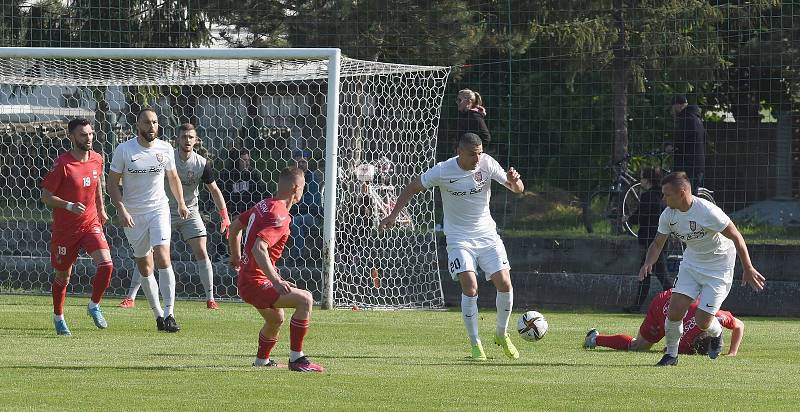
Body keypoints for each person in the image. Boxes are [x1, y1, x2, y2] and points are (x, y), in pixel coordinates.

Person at [379, 132, 524, 361]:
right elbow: (413, 186)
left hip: (487, 235)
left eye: (479, 153)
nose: (477, 159)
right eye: (472, 155)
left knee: (504, 282)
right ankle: (476, 344)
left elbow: (517, 189)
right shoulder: (443, 170)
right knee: (470, 286)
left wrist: (515, 181)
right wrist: (393, 214)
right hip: (458, 238)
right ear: (459, 152)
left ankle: (501, 334)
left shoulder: (487, 164)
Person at [639, 172, 765, 366]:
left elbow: (737, 237)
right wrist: (648, 262)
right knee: (674, 312)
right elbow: (657, 243)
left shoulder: (707, 211)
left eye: (667, 194)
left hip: (719, 267)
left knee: (702, 321)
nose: (663, 199)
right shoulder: (668, 215)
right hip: (692, 263)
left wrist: (747, 268)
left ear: (682, 193)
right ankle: (671, 355)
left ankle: (717, 332)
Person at [119, 123, 231, 310]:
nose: (187, 140)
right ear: (177, 139)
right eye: (184, 137)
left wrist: (224, 215)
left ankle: (210, 299)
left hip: (190, 211)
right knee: (149, 253)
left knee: (202, 251)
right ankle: (130, 297)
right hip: (162, 210)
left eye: (191, 137)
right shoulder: (166, 158)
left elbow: (214, 190)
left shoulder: (202, 163)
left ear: (196, 140)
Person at [228, 166, 325, 372]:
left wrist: (235, 256)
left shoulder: (264, 204)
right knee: (305, 299)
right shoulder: (280, 215)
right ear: (296, 188)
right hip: (256, 281)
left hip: (247, 279)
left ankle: (262, 361)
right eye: (303, 187)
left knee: (276, 319)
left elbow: (235, 225)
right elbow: (258, 248)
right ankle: (297, 359)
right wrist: (276, 280)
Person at [107, 108, 189, 333]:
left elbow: (172, 177)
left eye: (154, 122)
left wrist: (181, 202)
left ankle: (170, 313)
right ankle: (158, 315)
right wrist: (121, 208)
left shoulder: (166, 148)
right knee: (145, 265)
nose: (151, 126)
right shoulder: (124, 150)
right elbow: (112, 184)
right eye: (146, 122)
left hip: (158, 209)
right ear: (138, 125)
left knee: (163, 255)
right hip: (133, 215)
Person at [40, 118, 114, 336]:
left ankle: (93, 305)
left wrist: (101, 210)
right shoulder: (63, 164)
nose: (89, 138)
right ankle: (59, 317)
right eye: (83, 135)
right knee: (63, 277)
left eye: (90, 134)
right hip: (65, 230)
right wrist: (69, 205)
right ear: (72, 137)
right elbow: (45, 196)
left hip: (90, 223)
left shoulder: (98, 159)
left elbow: (98, 183)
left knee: (107, 264)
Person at [584, 289, 745, 356]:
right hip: (662, 304)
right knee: (638, 347)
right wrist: (732, 353)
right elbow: (666, 349)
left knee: (639, 348)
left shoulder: (716, 318)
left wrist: (733, 353)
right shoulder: (685, 343)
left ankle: (595, 339)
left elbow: (739, 325)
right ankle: (594, 338)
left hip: (675, 297)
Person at [623, 167, 670, 313]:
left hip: (651, 241)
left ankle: (680, 304)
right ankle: (636, 306)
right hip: (662, 239)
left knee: (661, 277)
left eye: (642, 177)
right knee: (646, 273)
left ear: (647, 179)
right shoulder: (663, 196)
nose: (640, 180)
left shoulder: (647, 196)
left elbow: (639, 217)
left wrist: (627, 219)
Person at [289, 149, 322, 259]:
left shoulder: (312, 178)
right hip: (295, 213)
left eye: (304, 162)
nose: (301, 165)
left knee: (295, 222)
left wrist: (294, 205)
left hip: (312, 216)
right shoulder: (291, 177)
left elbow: (310, 203)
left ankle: (297, 257)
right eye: (299, 162)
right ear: (295, 163)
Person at [669, 95, 706, 192]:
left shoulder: (686, 119)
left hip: (688, 165)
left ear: (678, 105)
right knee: (690, 195)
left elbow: (681, 139)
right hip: (696, 164)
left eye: (673, 107)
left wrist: (671, 146)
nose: (672, 110)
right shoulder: (696, 118)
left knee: (685, 196)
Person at [221, 149, 265, 216]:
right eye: (244, 160)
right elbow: (224, 198)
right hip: (231, 214)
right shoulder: (227, 175)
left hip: (251, 213)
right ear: (236, 161)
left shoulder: (254, 174)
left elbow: (262, 195)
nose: (247, 163)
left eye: (248, 160)